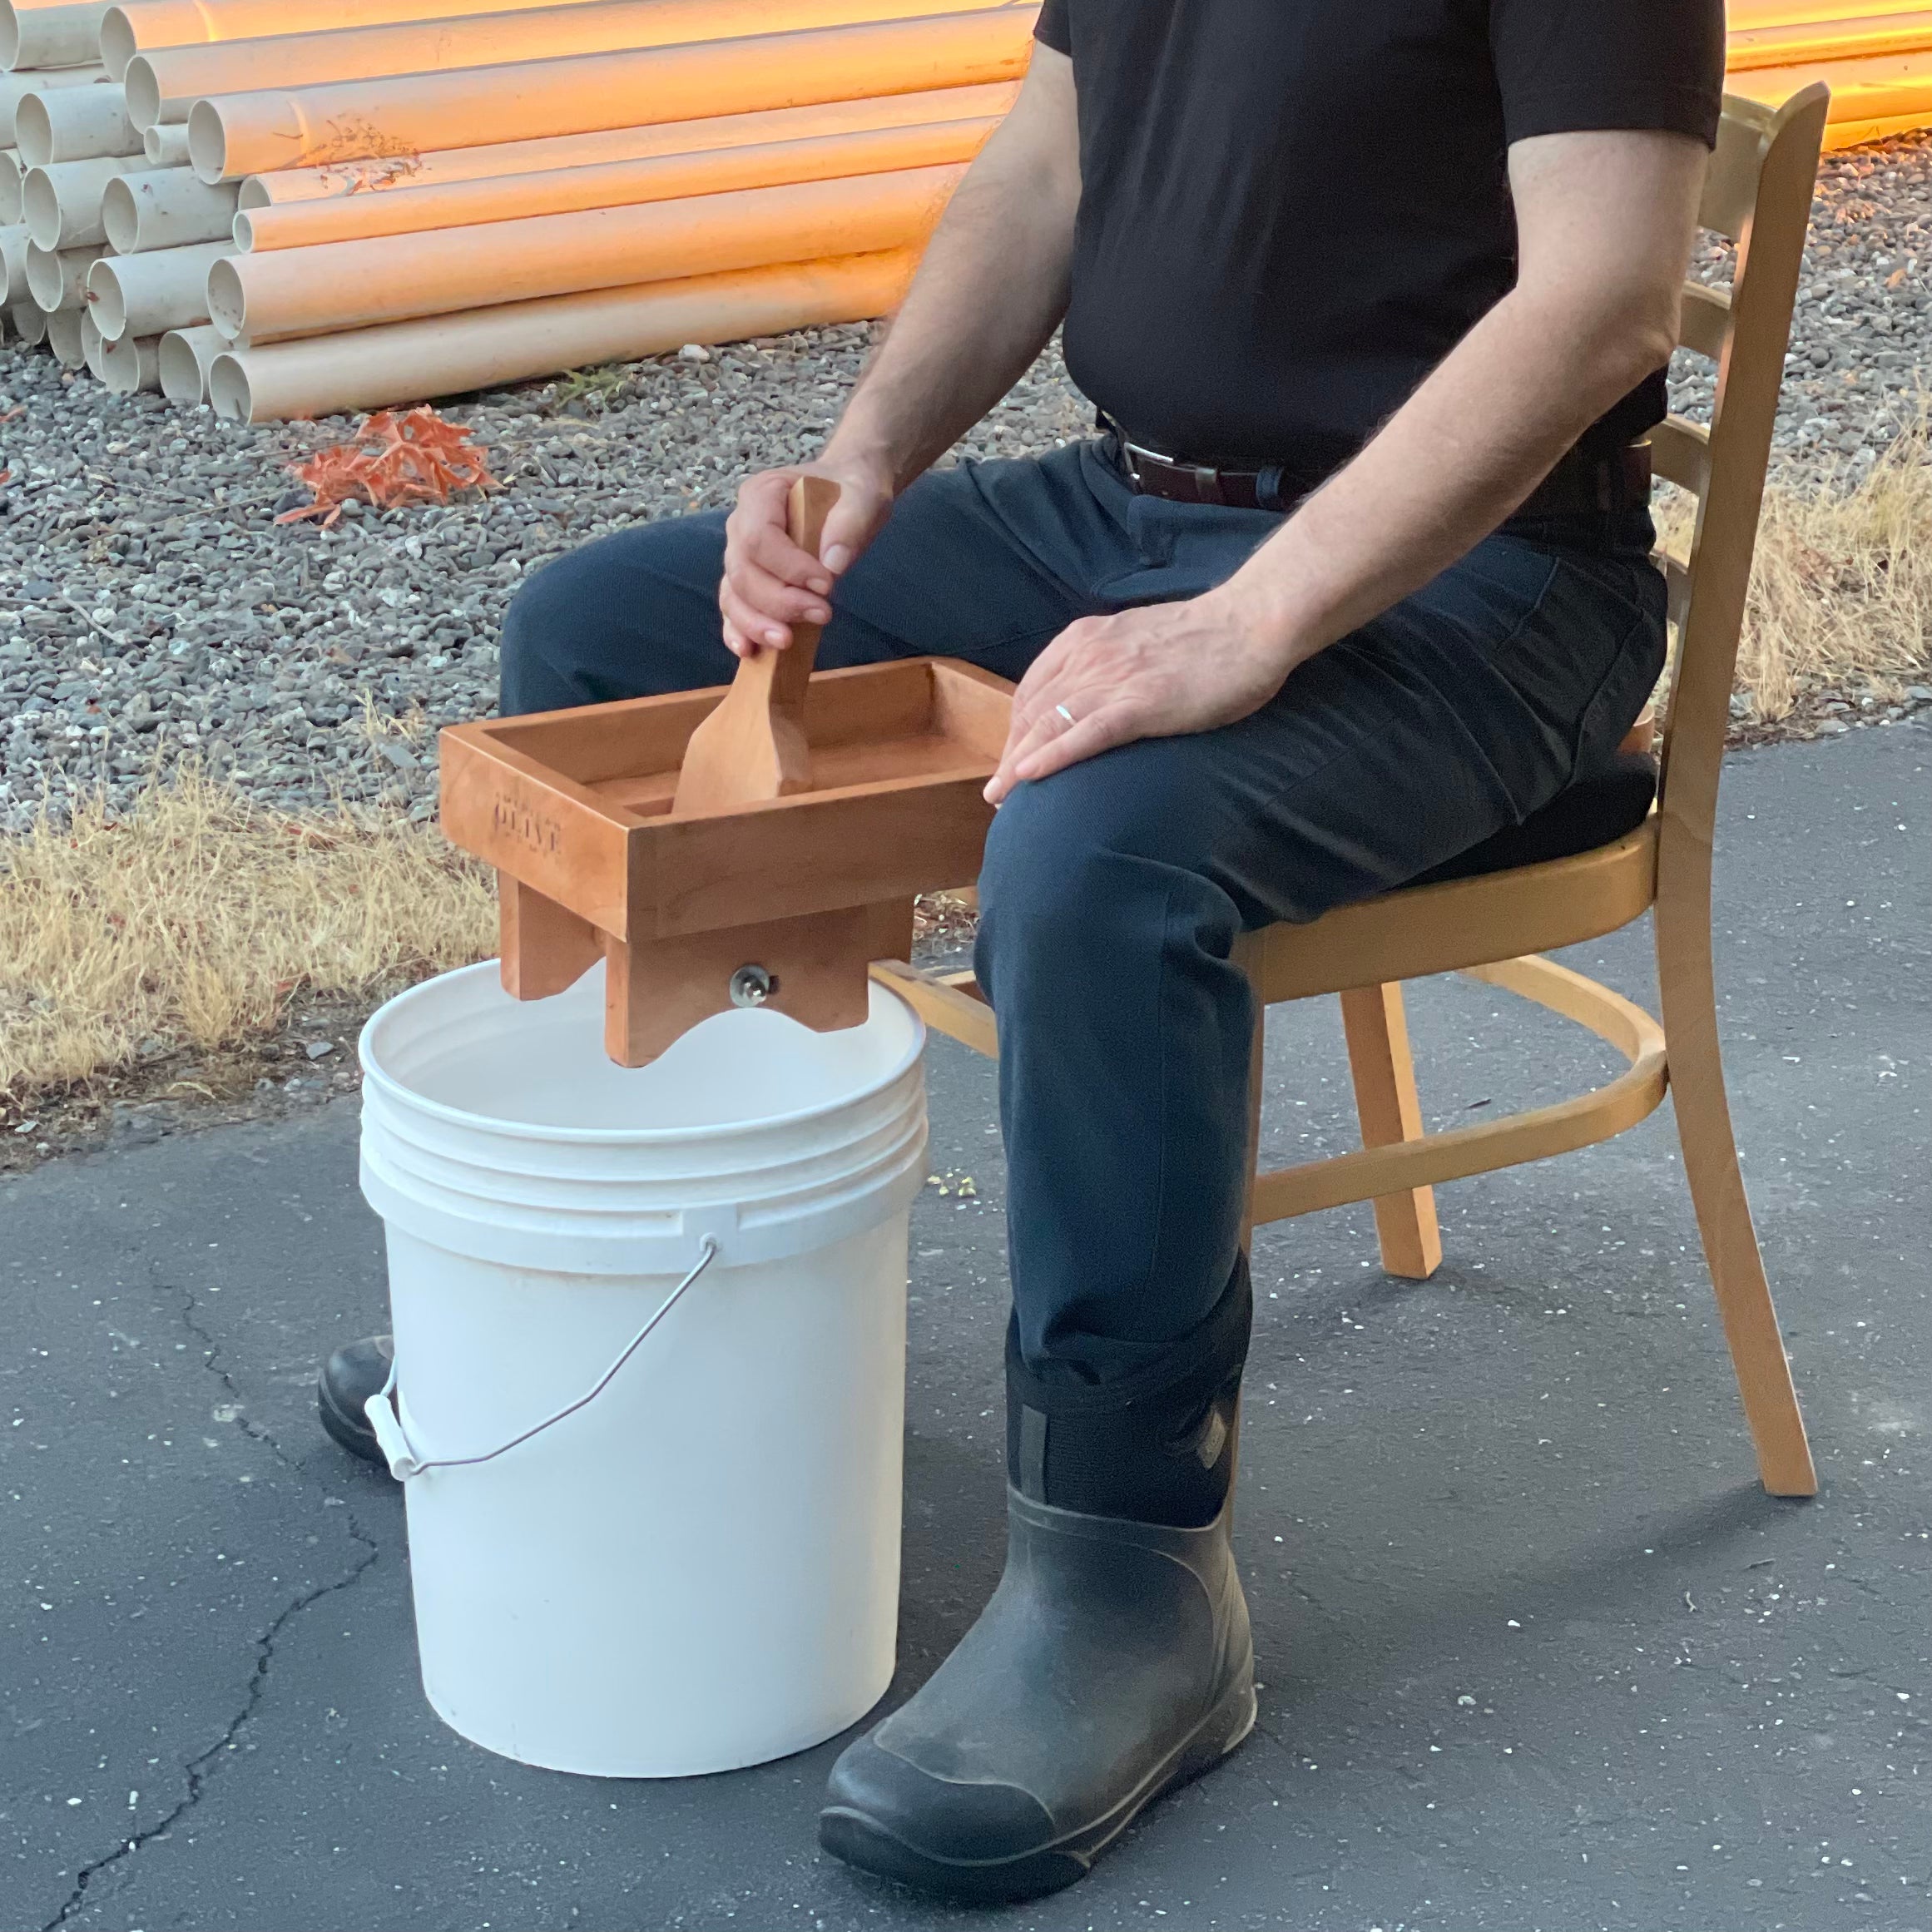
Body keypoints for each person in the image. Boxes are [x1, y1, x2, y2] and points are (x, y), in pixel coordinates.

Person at [320, 0, 1723, 1900]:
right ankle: (631, 1303)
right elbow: (1045, 166)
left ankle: (1134, 1576)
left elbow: (1607, 299)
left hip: (1482, 583)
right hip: (1121, 503)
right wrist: (853, 480)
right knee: (602, 654)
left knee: (1095, 856)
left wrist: (1258, 623)